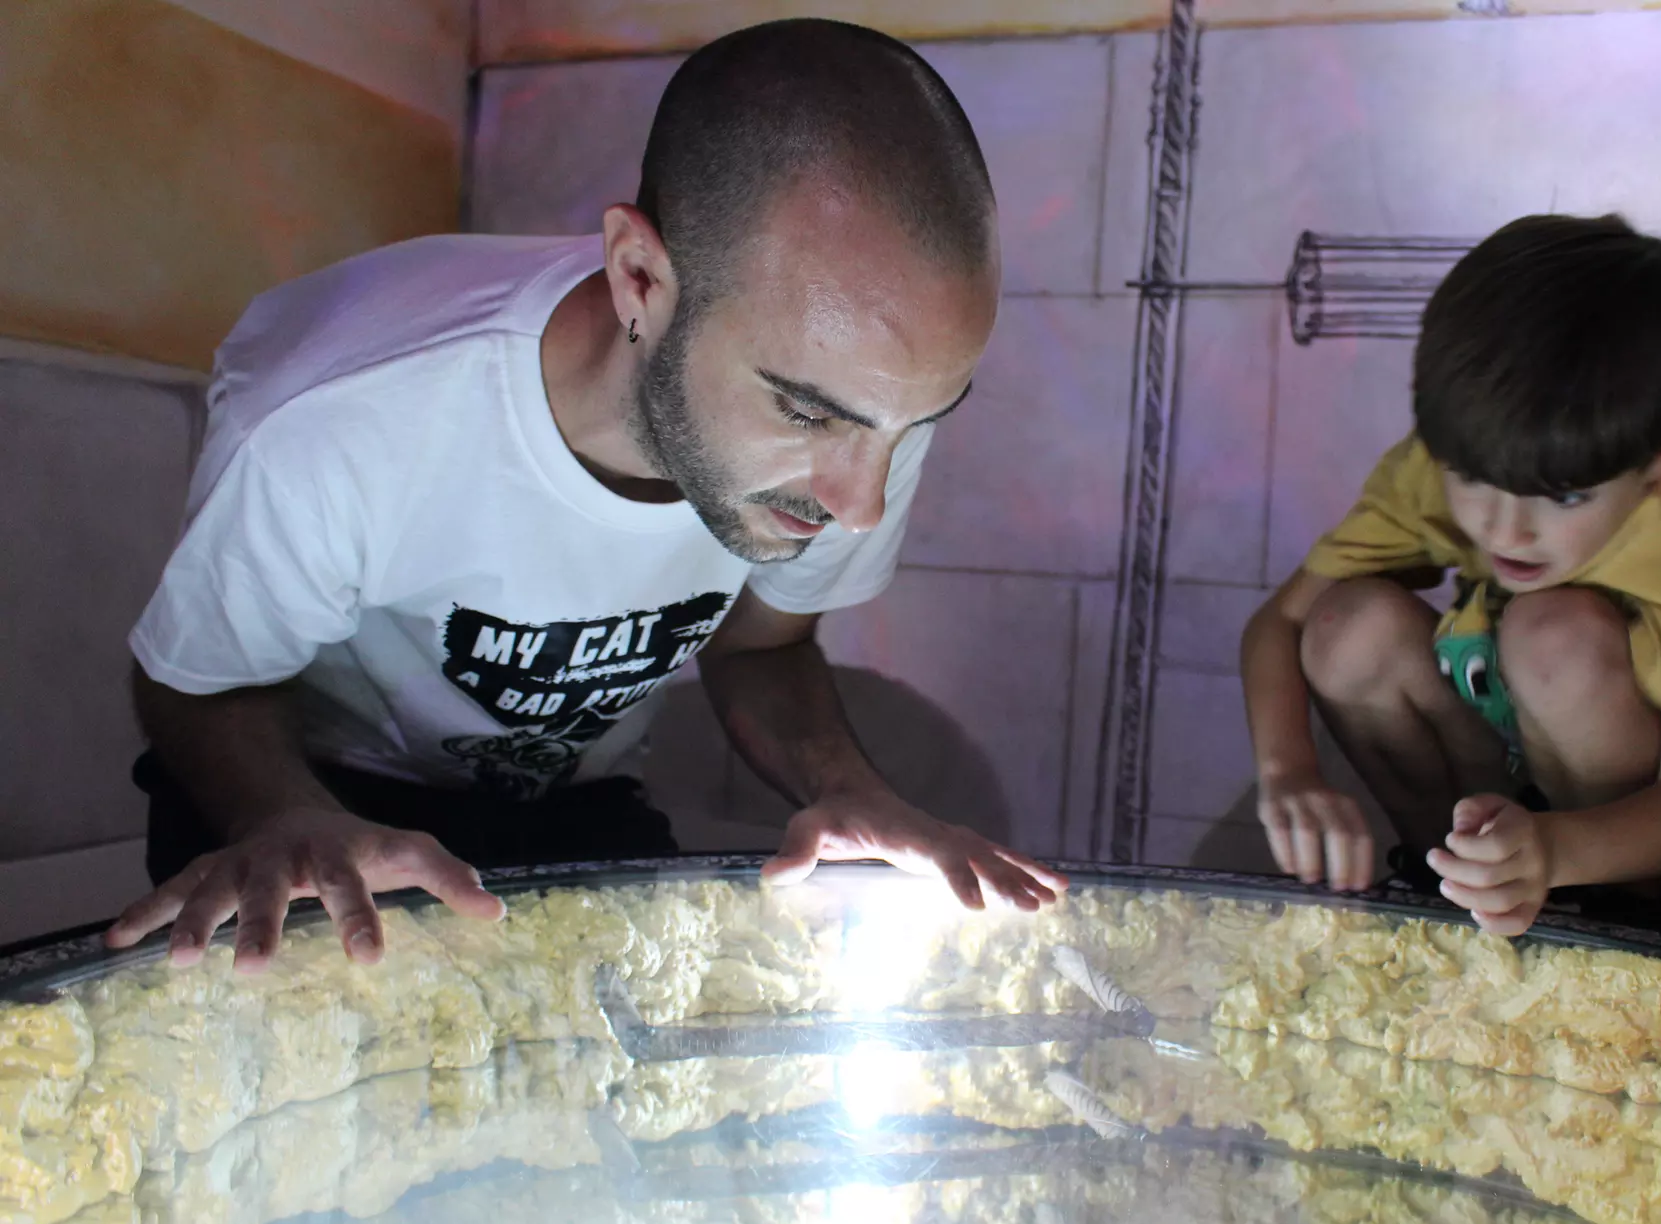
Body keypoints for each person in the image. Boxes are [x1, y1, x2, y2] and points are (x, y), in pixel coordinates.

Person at [105, 18, 1068, 973]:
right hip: (301, 798)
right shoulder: (342, 417)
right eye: (806, 412)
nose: (860, 500)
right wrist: (281, 810)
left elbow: (763, 644)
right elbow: (197, 676)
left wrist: (853, 787)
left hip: (572, 807)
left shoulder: (872, 416)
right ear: (640, 278)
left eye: (911, 423)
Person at [1240, 213, 1661, 936]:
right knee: (1349, 626)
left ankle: (1607, 913)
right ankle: (1465, 880)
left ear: (1657, 459)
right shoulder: (1447, 457)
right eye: (1473, 480)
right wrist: (1288, 774)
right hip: (1509, 744)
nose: (1506, 530)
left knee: (1552, 628)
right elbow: (1280, 623)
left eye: (1565, 497)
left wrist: (1559, 848)